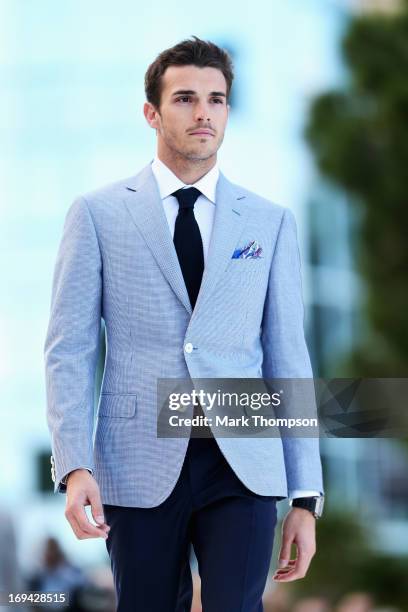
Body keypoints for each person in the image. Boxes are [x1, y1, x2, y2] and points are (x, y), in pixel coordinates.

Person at [44, 36, 325, 611]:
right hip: (137, 459)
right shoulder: (98, 214)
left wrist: (305, 494)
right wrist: (74, 465)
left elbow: (287, 357)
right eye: (186, 98)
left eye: (217, 100)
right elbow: (69, 350)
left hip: (243, 465)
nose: (203, 113)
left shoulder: (268, 223)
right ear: (152, 112)